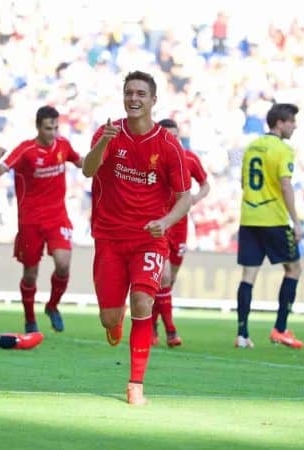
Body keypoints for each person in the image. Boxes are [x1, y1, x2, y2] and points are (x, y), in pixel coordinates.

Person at [82, 71, 191, 405]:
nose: (134, 98)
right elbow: (87, 170)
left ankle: (136, 384)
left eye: (141, 94)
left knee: (143, 301)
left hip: (149, 239)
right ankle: (114, 324)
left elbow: (185, 196)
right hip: (110, 238)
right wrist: (104, 142)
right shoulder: (108, 132)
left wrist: (166, 220)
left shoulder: (169, 145)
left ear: (153, 100)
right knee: (110, 318)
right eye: (129, 92)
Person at [0, 106, 83, 333]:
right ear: (38, 127)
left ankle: (52, 306)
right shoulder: (26, 150)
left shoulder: (63, 146)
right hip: (30, 221)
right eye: (47, 128)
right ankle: (30, 319)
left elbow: (81, 162)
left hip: (57, 217)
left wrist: (105, 152)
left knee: (63, 264)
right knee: (30, 274)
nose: (52, 133)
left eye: (55, 127)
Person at [235, 103, 304, 349]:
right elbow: (286, 185)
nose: (294, 126)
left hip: (249, 217)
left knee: (248, 275)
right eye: (291, 121)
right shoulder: (283, 149)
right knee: (294, 269)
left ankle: (242, 334)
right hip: (273, 219)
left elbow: (244, 181)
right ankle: (281, 329)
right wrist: (295, 221)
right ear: (280, 123)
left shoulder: (251, 146)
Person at [151, 119, 210, 347]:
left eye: (175, 136)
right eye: (167, 135)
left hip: (180, 226)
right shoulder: (151, 158)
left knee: (168, 281)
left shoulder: (189, 158)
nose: (172, 140)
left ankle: (153, 325)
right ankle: (171, 331)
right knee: (162, 277)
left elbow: (205, 184)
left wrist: (194, 198)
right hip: (159, 223)